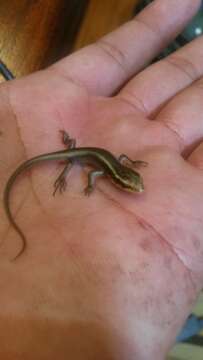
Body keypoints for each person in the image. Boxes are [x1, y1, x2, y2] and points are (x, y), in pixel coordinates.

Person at [0, 0, 203, 358]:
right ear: (121, 181)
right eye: (130, 183)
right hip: (80, 153)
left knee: (74, 159)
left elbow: (116, 162)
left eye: (131, 183)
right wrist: (86, 181)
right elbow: (94, 169)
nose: (133, 187)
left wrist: (121, 166)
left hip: (83, 151)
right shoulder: (104, 172)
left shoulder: (119, 169)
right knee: (73, 162)